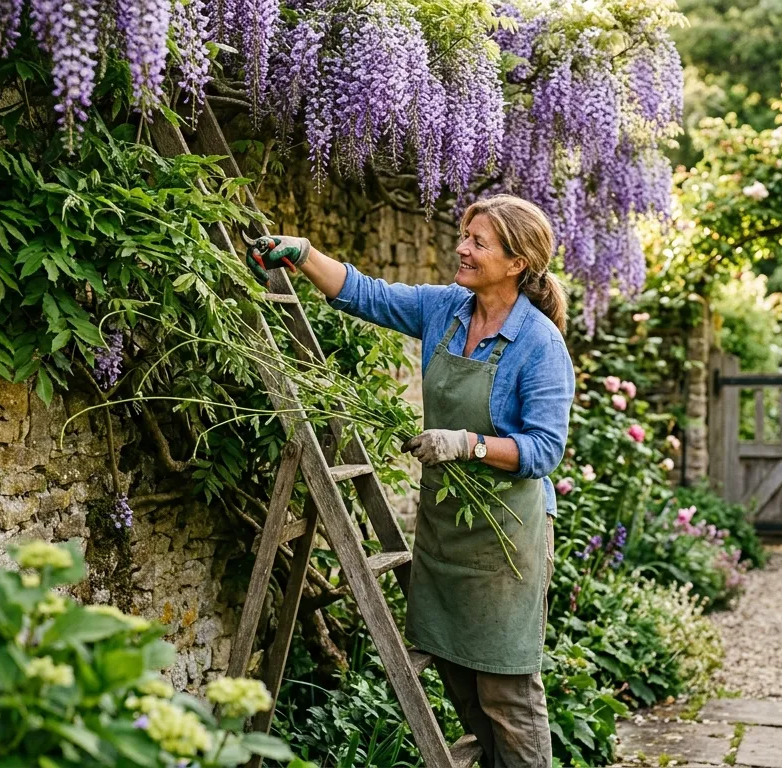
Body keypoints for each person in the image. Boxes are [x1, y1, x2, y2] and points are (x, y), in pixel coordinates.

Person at [244, 194, 575, 768]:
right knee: (455, 669)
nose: (461, 248)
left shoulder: (540, 344)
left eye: (478, 242)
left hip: (507, 535)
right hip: (448, 522)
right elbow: (365, 293)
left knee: (507, 687)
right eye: (465, 235)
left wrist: (466, 444)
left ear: (517, 262)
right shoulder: (446, 309)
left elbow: (544, 449)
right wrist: (303, 254)